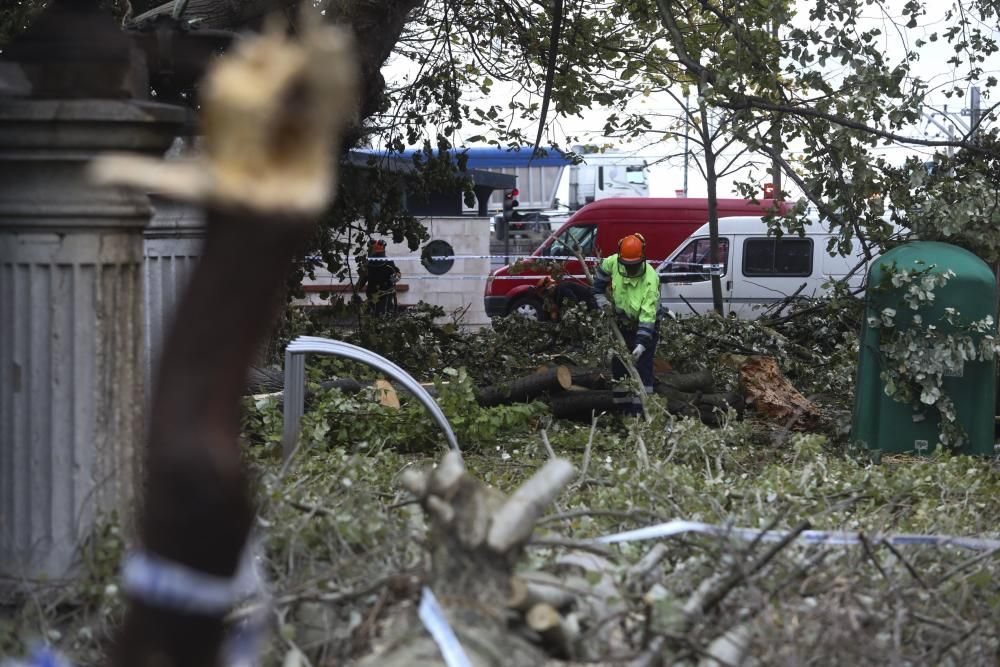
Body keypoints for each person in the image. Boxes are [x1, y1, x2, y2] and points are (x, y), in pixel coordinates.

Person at [591, 233, 660, 415]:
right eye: (627, 265)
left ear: (642, 259)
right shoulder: (613, 262)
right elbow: (599, 278)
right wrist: (600, 297)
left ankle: (640, 413)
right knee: (619, 366)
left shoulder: (650, 279)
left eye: (633, 265)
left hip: (644, 325)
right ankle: (622, 411)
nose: (629, 269)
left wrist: (641, 343)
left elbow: (648, 314)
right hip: (621, 322)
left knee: (642, 369)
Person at [357, 240, 401, 315]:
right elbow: (362, 279)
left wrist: (391, 281)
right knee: (374, 314)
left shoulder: (388, 263)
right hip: (372, 295)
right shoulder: (368, 265)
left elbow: (397, 275)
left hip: (385, 295)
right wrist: (356, 291)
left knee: (383, 314)